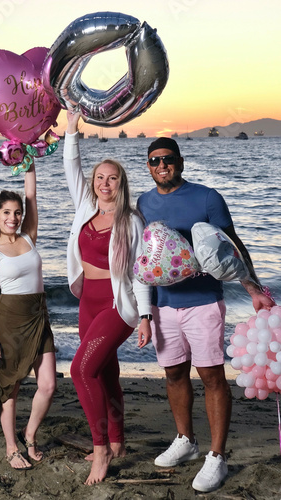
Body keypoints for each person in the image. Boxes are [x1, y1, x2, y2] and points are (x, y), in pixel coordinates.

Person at [137, 137, 275, 493]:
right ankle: (186, 440)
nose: (162, 165)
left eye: (167, 159)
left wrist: (254, 289)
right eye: (154, 160)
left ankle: (217, 456)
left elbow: (233, 247)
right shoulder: (143, 203)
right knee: (173, 373)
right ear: (148, 166)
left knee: (212, 376)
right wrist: (143, 313)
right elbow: (147, 257)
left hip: (203, 303)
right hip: (163, 304)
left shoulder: (207, 197)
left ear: (180, 162)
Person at [63, 109, 152, 485]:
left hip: (117, 306)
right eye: (99, 177)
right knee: (105, 371)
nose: (104, 183)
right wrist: (71, 129)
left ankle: (100, 450)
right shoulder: (85, 207)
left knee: (81, 370)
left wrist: (145, 316)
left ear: (121, 184)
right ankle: (116, 441)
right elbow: (71, 165)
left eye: (111, 178)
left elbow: (141, 271)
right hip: (88, 302)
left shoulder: (131, 221)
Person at [0, 161, 57, 470]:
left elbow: (31, 194)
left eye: (17, 212)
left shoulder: (29, 236)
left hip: (38, 317)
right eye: (6, 212)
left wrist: (29, 160)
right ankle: (10, 447)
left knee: (48, 385)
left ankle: (29, 434)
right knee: (11, 387)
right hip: (8, 322)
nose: (13, 217)